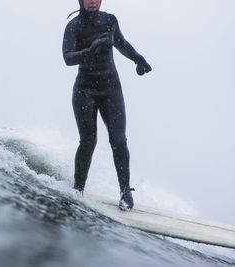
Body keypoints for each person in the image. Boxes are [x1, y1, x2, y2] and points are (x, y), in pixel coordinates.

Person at [62, 0, 152, 210]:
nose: (93, 1)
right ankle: (77, 190)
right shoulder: (74, 26)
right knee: (88, 142)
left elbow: (121, 43)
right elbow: (67, 58)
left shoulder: (110, 20)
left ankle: (125, 192)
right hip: (85, 91)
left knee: (119, 141)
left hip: (111, 89)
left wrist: (139, 59)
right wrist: (90, 51)